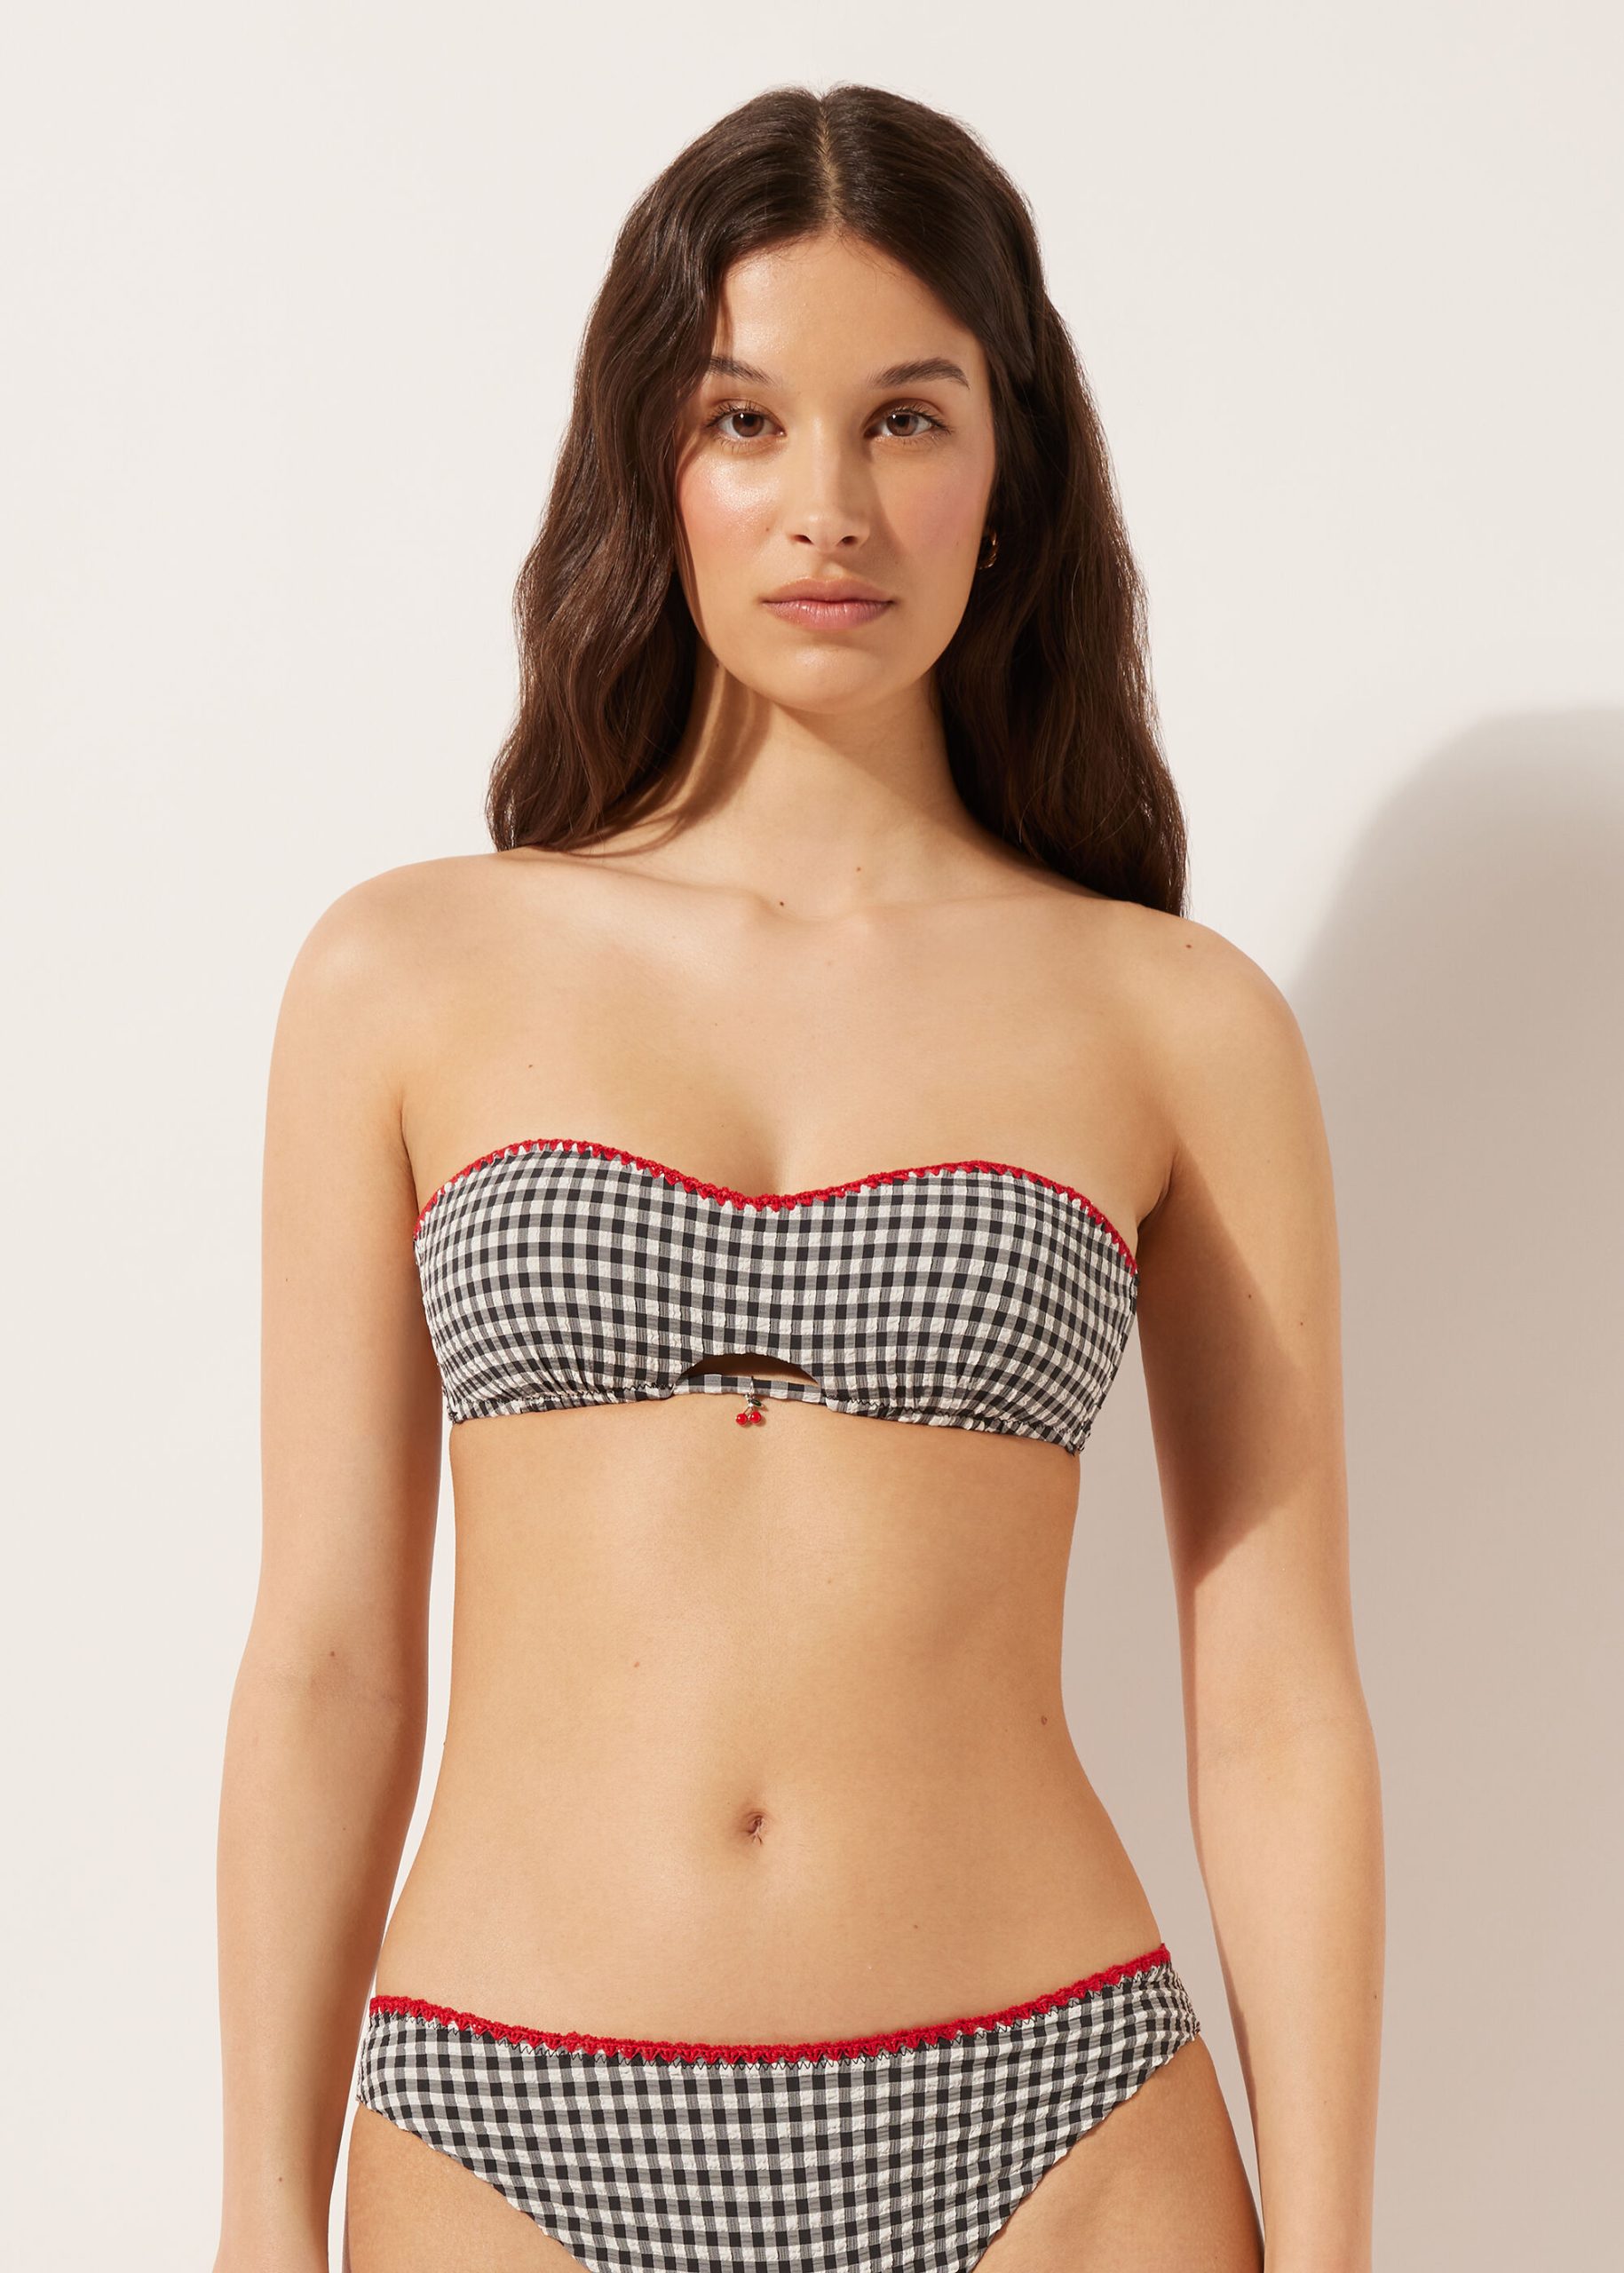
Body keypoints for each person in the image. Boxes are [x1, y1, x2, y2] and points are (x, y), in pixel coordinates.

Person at [214, 82, 1383, 2273]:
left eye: (906, 419)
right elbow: (331, 1660)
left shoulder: (1176, 1019)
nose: (828, 507)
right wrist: (261, 2207)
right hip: (503, 2117)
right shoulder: (406, 974)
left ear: (1011, 469)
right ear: (649, 463)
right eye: (745, 421)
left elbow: (1278, 1708)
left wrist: (1334, 2251)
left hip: (1053, 2120)